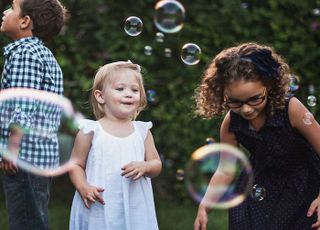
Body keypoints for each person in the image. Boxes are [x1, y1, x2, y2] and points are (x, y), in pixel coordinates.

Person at [193, 42, 320, 230]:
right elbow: (226, 170)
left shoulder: (290, 109)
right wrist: (205, 205)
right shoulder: (231, 123)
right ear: (222, 94)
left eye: (255, 99)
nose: (245, 109)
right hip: (260, 186)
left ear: (269, 85)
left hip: (302, 184)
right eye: (234, 102)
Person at [69, 61, 162, 230]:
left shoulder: (142, 131)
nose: (128, 94)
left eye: (134, 90)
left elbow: (156, 164)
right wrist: (83, 186)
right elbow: (75, 164)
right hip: (100, 207)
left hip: (135, 207)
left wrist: (145, 166)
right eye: (120, 89)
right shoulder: (91, 131)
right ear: (100, 96)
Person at [0, 0, 67, 229]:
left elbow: (23, 104)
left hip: (24, 157)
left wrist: (12, 148)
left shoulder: (25, 54)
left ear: (25, 21)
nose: (5, 11)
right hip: (38, 156)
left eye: (12, 7)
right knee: (35, 218)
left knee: (25, 222)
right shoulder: (44, 55)